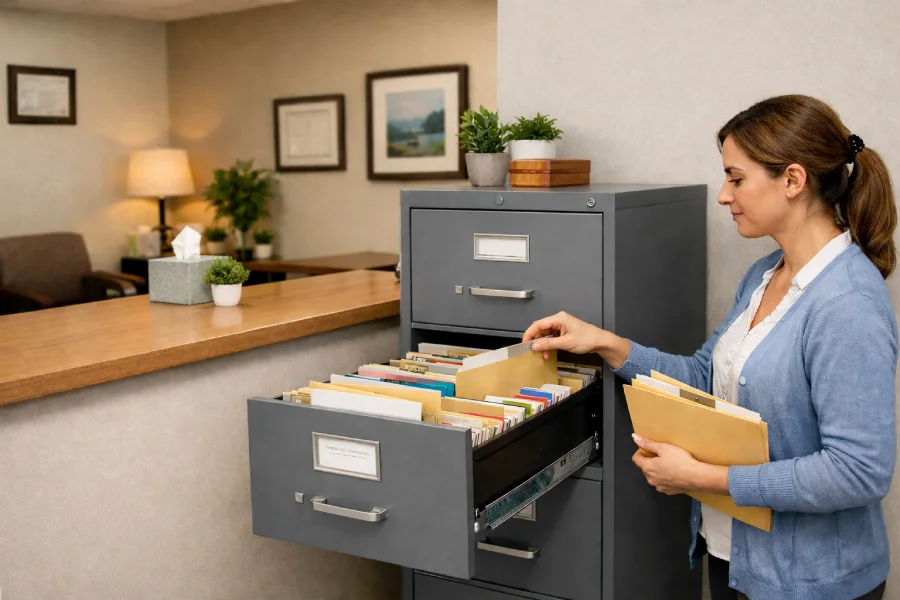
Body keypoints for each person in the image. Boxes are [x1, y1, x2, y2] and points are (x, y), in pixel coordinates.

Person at [522, 95, 898, 600]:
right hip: (733, 557)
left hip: (812, 583)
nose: (723, 195)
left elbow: (858, 472)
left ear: (792, 180)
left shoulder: (847, 303)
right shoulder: (765, 276)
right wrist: (607, 345)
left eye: (736, 178)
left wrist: (706, 477)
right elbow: (706, 378)